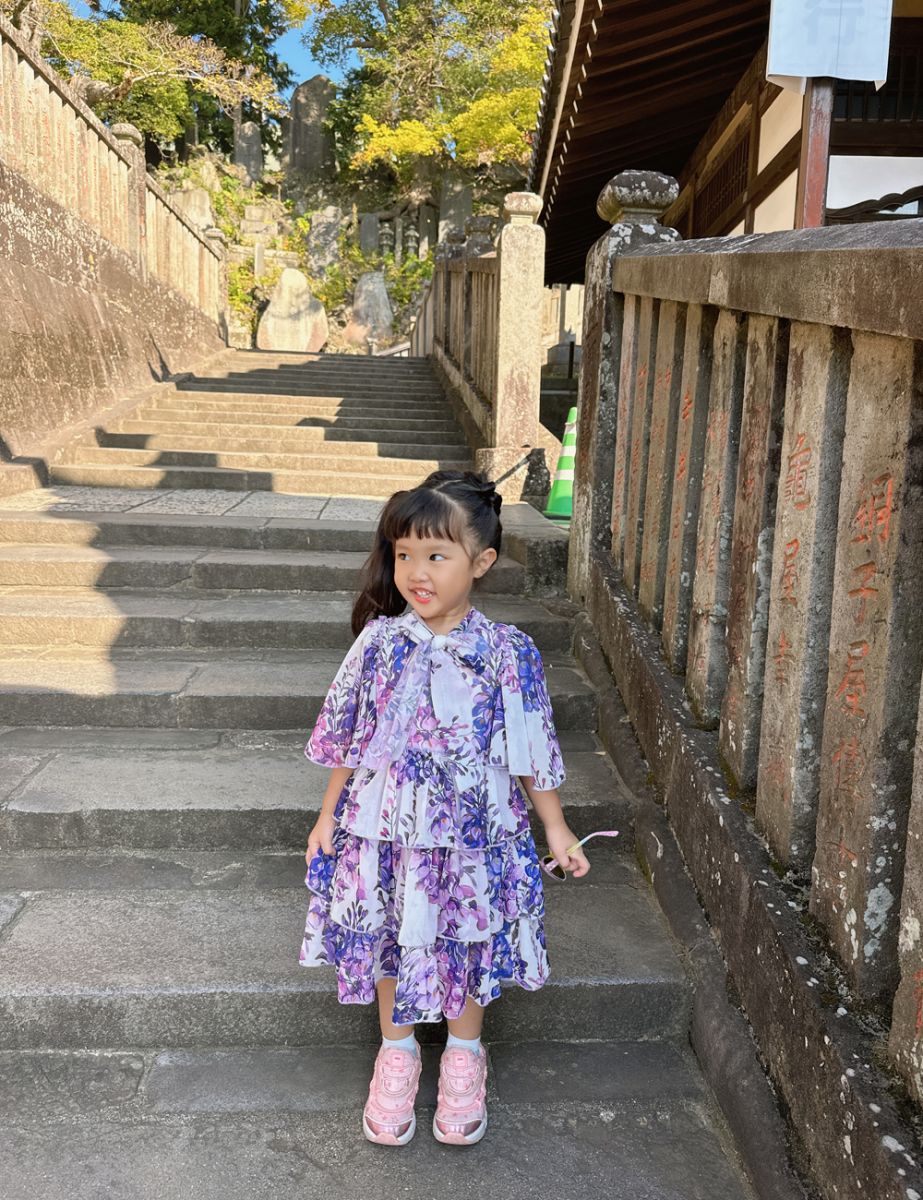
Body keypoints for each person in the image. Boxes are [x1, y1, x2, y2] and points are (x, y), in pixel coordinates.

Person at [300, 470, 590, 1147]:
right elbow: (352, 735)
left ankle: (464, 1057)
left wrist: (555, 827)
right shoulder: (378, 643)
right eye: (403, 554)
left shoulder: (507, 652)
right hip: (384, 824)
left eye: (436, 555)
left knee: (466, 938)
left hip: (472, 829)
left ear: (480, 562)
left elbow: (529, 748)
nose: (415, 571)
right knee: (389, 934)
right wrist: (327, 815)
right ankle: (395, 1054)